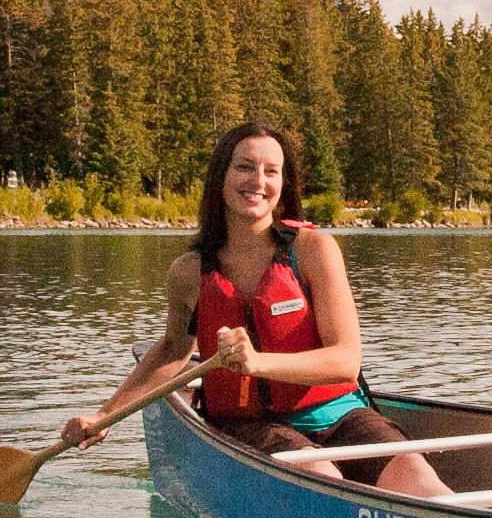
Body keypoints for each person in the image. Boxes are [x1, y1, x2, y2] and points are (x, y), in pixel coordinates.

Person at [60, 124, 449, 498]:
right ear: (221, 177)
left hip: (339, 413)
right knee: (320, 475)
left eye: (271, 171)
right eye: (245, 166)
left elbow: (346, 361)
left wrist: (257, 363)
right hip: (252, 424)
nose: (258, 181)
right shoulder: (188, 272)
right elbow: (172, 350)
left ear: (283, 184)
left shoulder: (315, 251)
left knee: (415, 474)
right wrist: (105, 414)